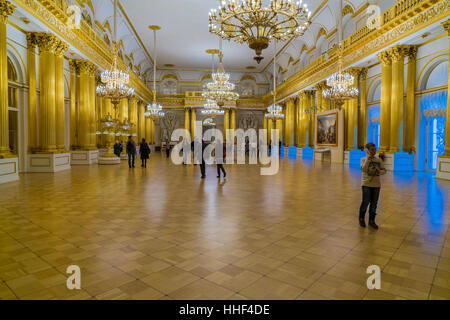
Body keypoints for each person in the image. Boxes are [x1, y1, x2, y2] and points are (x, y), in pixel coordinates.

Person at [359, 142, 386, 229]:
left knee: (374, 203)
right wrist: (368, 159)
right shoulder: (363, 159)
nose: (374, 151)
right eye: (372, 150)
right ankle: (361, 218)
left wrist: (380, 171)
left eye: (375, 149)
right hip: (366, 184)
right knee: (365, 202)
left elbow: (384, 170)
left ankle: (372, 220)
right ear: (367, 150)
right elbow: (363, 169)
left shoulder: (378, 160)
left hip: (376, 185)